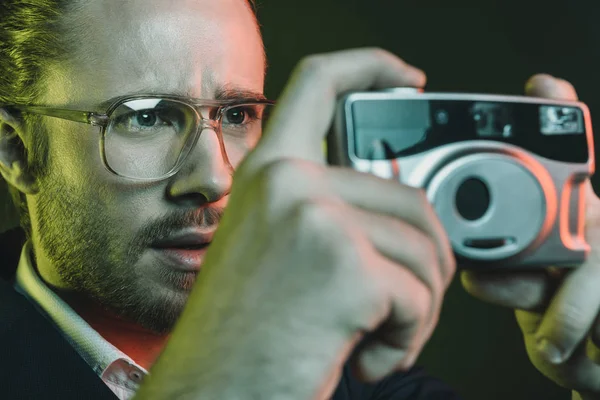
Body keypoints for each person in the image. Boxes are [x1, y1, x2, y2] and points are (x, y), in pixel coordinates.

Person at [0, 1, 598, 399]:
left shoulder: (359, 372)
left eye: (237, 114)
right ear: (17, 150)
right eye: (146, 118)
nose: (216, 177)